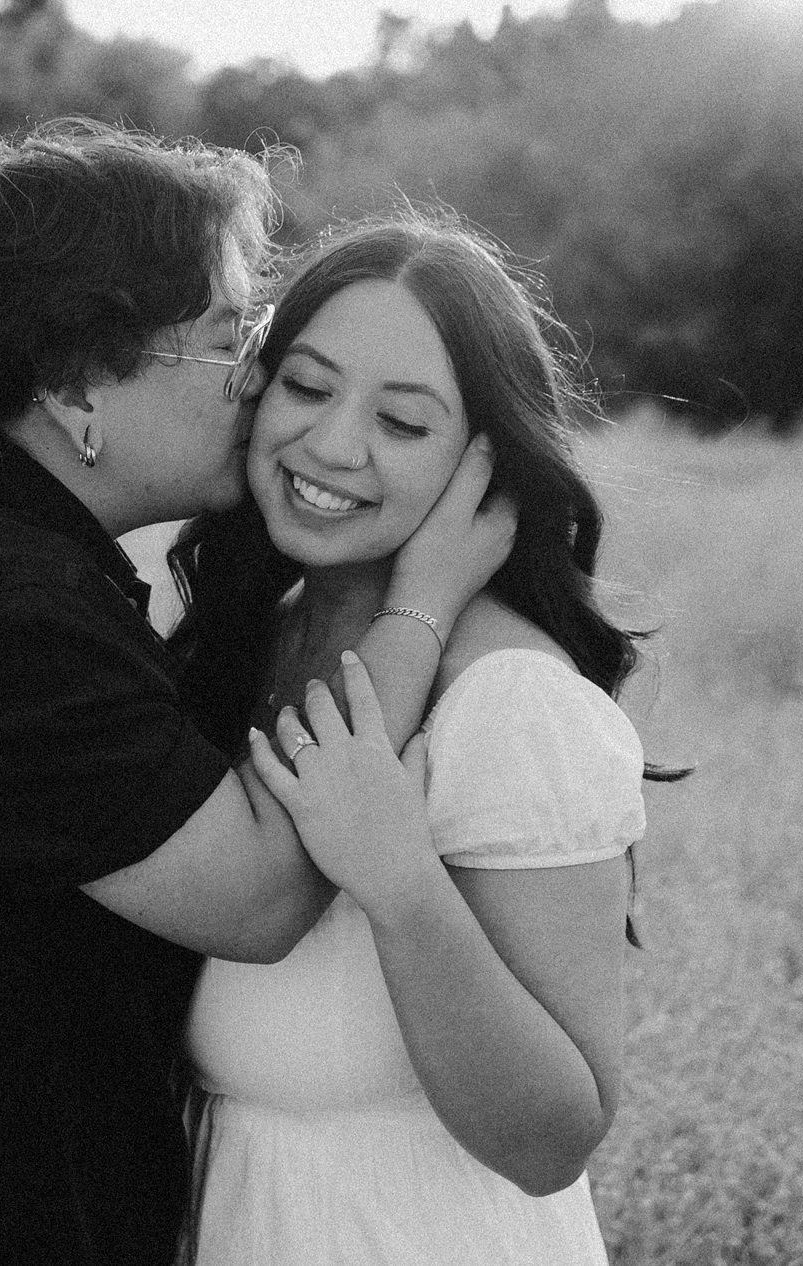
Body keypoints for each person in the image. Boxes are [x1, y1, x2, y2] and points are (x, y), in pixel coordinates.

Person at [0, 123, 514, 1266]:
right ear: (78, 385)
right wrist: (420, 604)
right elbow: (261, 894)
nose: (258, 381)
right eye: (228, 341)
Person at [169, 213, 687, 1265]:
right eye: (306, 387)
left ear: (484, 465)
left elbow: (554, 1138)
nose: (331, 446)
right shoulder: (240, 640)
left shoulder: (510, 700)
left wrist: (403, 884)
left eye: (403, 423)